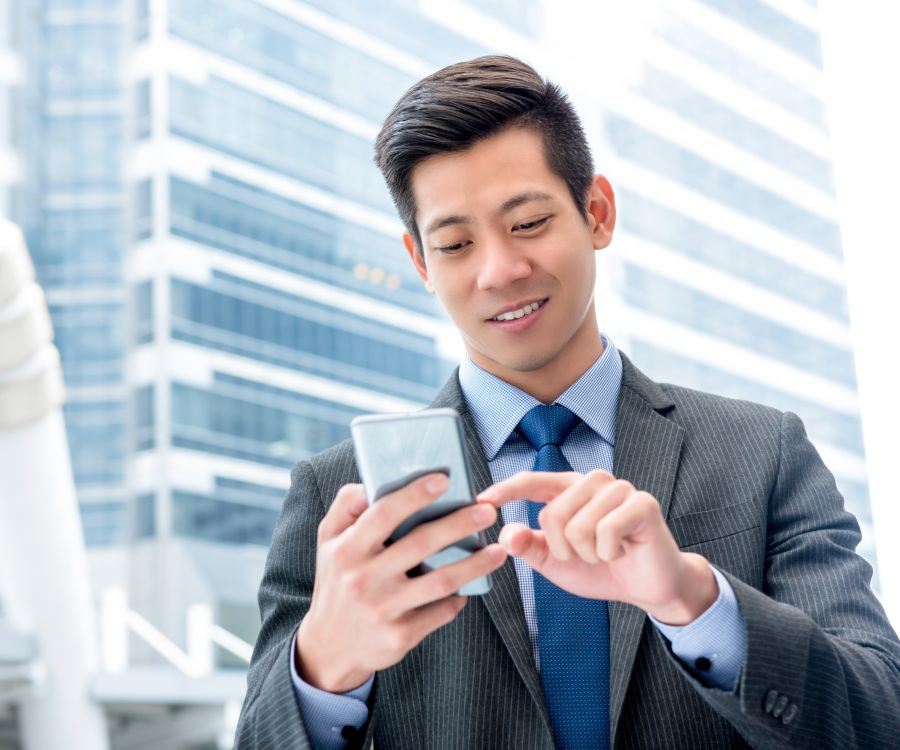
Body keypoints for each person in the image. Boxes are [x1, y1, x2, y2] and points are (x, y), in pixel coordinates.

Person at [234, 55, 900, 749]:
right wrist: (325, 670)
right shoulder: (340, 500)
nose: (500, 270)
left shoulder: (761, 453)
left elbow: (881, 718)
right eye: (456, 243)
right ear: (421, 264)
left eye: (526, 223)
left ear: (597, 213)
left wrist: (693, 602)